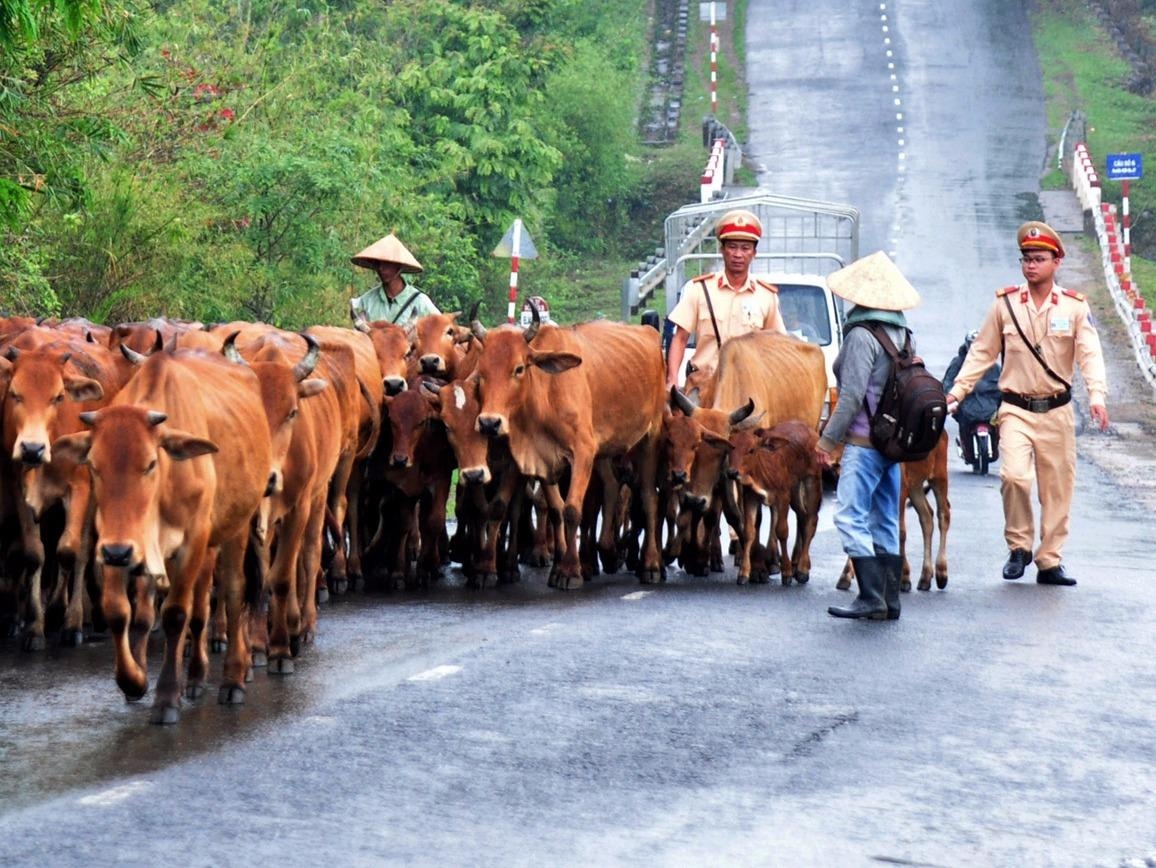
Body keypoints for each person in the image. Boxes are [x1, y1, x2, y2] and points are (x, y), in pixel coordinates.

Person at [945, 220, 1109, 587]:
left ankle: (1049, 560)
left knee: (1056, 488)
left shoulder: (1075, 307)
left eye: (1038, 259)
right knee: (1014, 476)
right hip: (1016, 408)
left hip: (1057, 410)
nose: (1031, 265)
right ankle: (1019, 547)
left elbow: (1090, 354)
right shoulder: (1004, 305)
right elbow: (981, 353)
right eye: (1026, 259)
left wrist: (1096, 395)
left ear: (1056, 262)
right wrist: (957, 392)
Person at [814, 251, 922, 621]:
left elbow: (852, 395)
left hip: (864, 442)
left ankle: (871, 594)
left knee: (848, 516)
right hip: (893, 444)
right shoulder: (903, 334)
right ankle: (890, 601)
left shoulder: (862, 335)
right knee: (885, 518)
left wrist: (827, 441)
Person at [664, 209, 787, 388]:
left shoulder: (766, 296)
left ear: (754, 253)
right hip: (703, 386)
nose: (738, 254)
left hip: (748, 388)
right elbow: (680, 338)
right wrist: (672, 379)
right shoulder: (699, 289)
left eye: (745, 248)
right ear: (722, 250)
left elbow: (778, 345)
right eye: (732, 247)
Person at [350, 233, 440, 326]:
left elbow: (443, 329)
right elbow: (357, 337)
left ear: (399, 266)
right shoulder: (366, 301)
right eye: (378, 264)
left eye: (387, 264)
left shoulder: (420, 302)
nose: (381, 268)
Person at [943, 329, 1002, 466]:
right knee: (961, 419)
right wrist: (952, 399)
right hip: (966, 405)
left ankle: (995, 443)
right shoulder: (958, 363)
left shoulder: (993, 365)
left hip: (989, 406)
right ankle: (966, 447)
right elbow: (947, 383)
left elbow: (1003, 385)